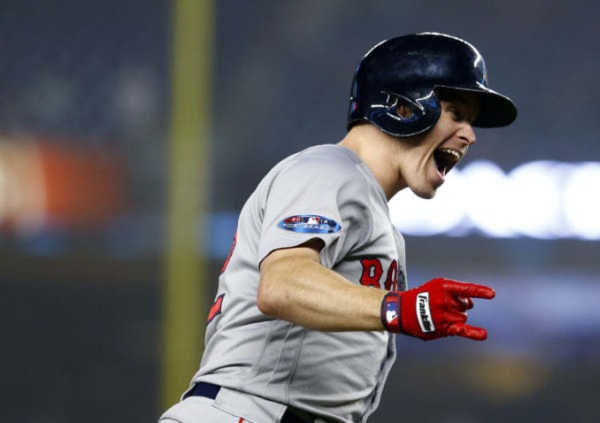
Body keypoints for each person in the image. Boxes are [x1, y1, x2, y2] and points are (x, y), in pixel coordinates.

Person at [158, 31, 517, 423]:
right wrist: (400, 307)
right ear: (401, 106)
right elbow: (282, 285)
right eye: (458, 114)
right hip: (250, 411)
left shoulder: (366, 203)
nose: (470, 135)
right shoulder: (329, 170)